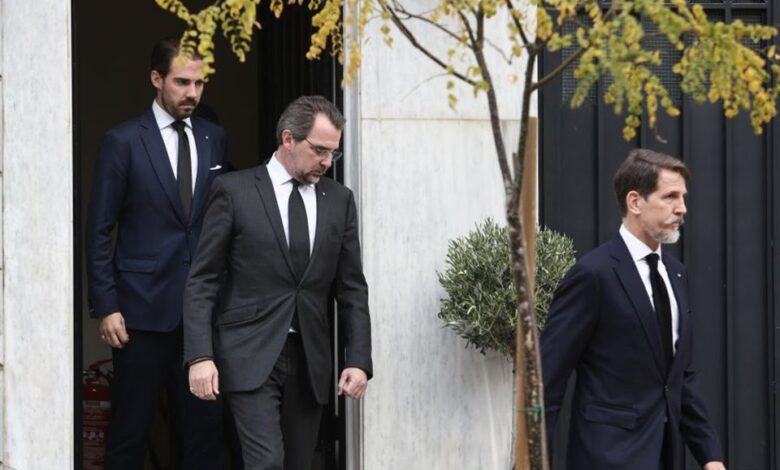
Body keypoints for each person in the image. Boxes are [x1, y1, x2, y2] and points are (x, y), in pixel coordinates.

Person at [184, 95, 373, 470]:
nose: (327, 162)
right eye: (319, 150)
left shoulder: (339, 200)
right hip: (248, 352)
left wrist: (359, 360)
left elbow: (352, 286)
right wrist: (200, 356)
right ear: (288, 138)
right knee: (267, 462)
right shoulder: (234, 191)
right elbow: (202, 280)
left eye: (333, 153)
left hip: (310, 359)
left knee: (299, 463)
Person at [86, 37, 226, 469]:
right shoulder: (123, 141)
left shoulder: (214, 138)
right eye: (182, 82)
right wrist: (106, 305)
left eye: (199, 83)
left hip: (200, 316)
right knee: (130, 434)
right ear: (156, 79)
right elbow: (99, 228)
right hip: (140, 314)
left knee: (202, 436)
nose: (192, 93)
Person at [541, 149, 726, 470]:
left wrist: (711, 457)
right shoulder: (593, 274)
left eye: (683, 197)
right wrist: (531, 458)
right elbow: (548, 376)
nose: (682, 208)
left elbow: (679, 376)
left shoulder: (676, 274)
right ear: (635, 202)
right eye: (670, 196)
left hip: (663, 454)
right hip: (605, 457)